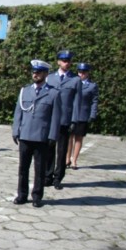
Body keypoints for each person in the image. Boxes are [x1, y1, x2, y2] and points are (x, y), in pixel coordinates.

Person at [12, 60, 61, 208]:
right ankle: (22, 195)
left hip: (41, 136)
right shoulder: (25, 91)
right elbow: (18, 113)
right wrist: (16, 131)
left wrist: (53, 135)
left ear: (45, 74)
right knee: (23, 168)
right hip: (25, 135)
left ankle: (37, 196)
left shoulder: (53, 93)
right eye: (33, 72)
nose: (35, 74)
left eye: (38, 72)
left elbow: (56, 117)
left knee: (40, 169)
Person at [44, 50, 82, 190]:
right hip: (50, 119)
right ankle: (47, 176)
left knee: (62, 151)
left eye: (69, 61)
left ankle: (58, 178)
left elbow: (77, 102)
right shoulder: (50, 77)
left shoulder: (75, 80)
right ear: (58, 62)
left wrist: (74, 120)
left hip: (65, 120)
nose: (67, 63)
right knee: (48, 149)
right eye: (64, 61)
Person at [67, 62, 98, 170]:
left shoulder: (92, 86)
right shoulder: (73, 82)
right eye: (79, 72)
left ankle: (74, 160)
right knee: (69, 137)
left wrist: (93, 114)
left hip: (82, 114)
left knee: (78, 138)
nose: (81, 74)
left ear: (88, 73)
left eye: (84, 72)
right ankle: (67, 159)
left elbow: (94, 101)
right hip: (71, 114)